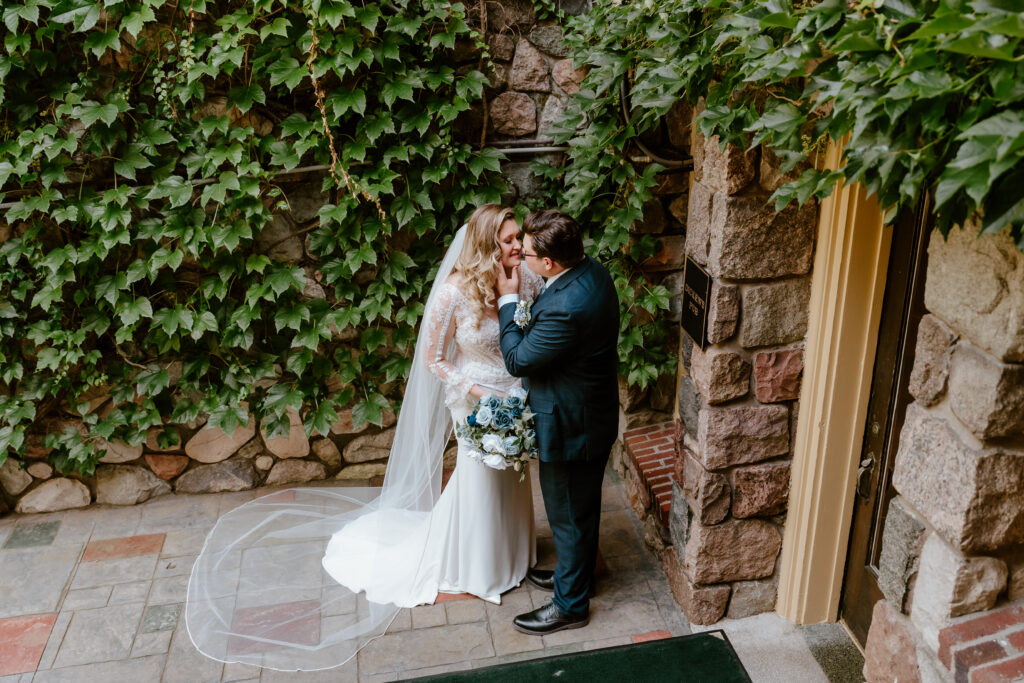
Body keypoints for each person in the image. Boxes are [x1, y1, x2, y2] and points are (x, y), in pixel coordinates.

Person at [185, 204, 545, 671]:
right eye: (510, 239)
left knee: (511, 474)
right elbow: (434, 360)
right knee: (479, 476)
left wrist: (518, 385)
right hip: (473, 398)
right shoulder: (454, 291)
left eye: (519, 237)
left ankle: (512, 554)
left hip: (514, 391)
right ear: (485, 243)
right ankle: (469, 566)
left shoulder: (527, 279)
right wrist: (481, 392)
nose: (520, 245)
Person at [495, 209, 620, 635]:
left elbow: (517, 359)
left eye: (526, 253)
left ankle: (570, 605)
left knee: (568, 514)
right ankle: (576, 574)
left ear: (549, 263)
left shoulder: (567, 307)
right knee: (580, 509)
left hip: (572, 427)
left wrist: (508, 301)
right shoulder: (592, 272)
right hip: (591, 412)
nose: (520, 257)